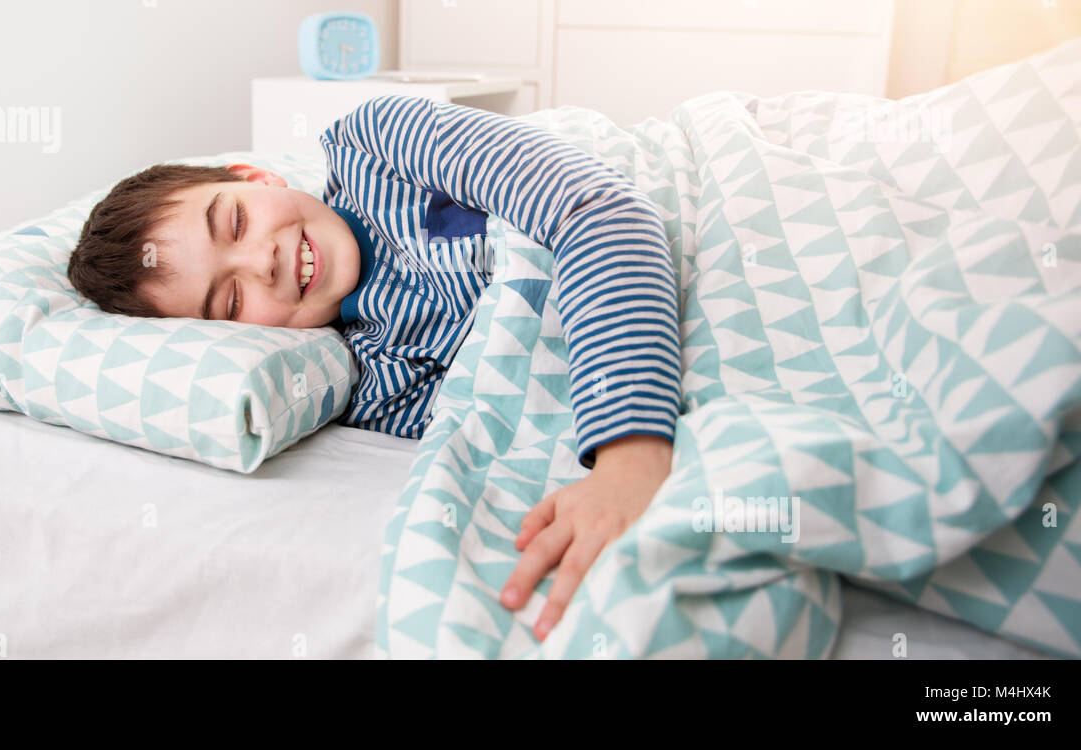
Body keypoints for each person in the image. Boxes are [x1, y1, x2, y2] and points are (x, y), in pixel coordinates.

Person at [68, 94, 682, 642]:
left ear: (255, 177)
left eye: (236, 221)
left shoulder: (378, 145)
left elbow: (597, 210)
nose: (263, 261)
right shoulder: (373, 381)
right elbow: (505, 413)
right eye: (230, 300)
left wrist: (630, 459)